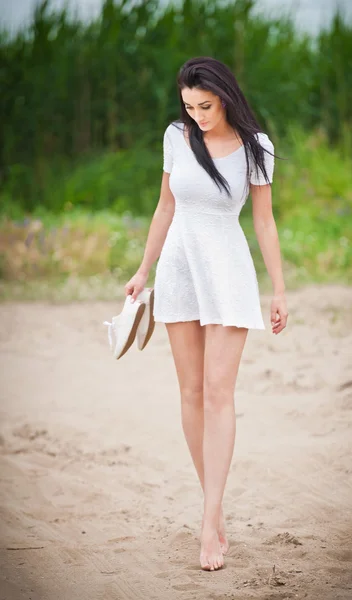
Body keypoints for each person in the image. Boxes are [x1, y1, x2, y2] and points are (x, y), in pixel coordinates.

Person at [124, 56, 288, 572]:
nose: (196, 115)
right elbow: (165, 208)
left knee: (220, 393)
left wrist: (279, 289)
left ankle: (208, 517)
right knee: (191, 391)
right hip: (179, 268)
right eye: (189, 106)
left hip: (229, 271)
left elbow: (263, 222)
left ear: (226, 97)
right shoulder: (177, 136)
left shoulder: (257, 148)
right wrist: (142, 270)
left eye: (206, 106)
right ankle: (214, 510)